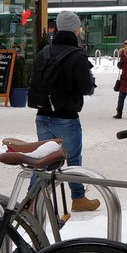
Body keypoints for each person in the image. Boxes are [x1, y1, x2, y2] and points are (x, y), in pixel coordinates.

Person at [30, 11, 100, 213]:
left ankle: (32, 200)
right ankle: (78, 198)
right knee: (73, 158)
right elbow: (85, 88)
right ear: (76, 30)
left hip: (43, 115)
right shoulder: (76, 55)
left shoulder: (44, 52)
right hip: (66, 117)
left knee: (43, 159)